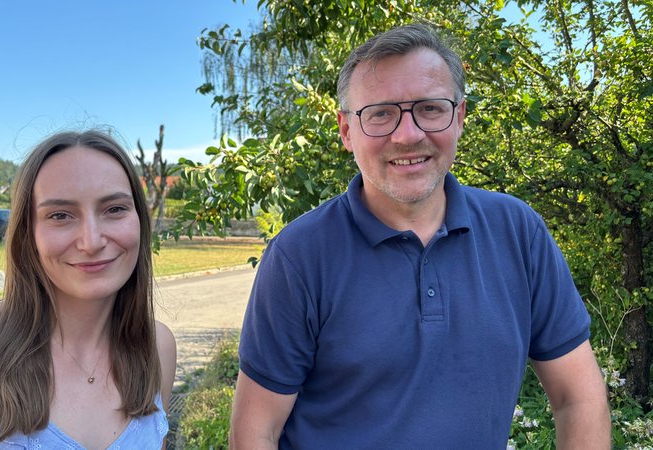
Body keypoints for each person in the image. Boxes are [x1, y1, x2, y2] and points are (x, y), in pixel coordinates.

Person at [229, 24, 610, 449]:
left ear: (460, 117)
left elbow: (577, 396)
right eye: (380, 113)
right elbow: (255, 433)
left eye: (430, 108)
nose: (407, 134)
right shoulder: (299, 257)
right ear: (346, 131)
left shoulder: (518, 232)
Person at [0, 130, 177, 449]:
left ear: (140, 220)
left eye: (114, 209)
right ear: (28, 234)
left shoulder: (157, 347)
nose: (91, 241)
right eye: (60, 215)